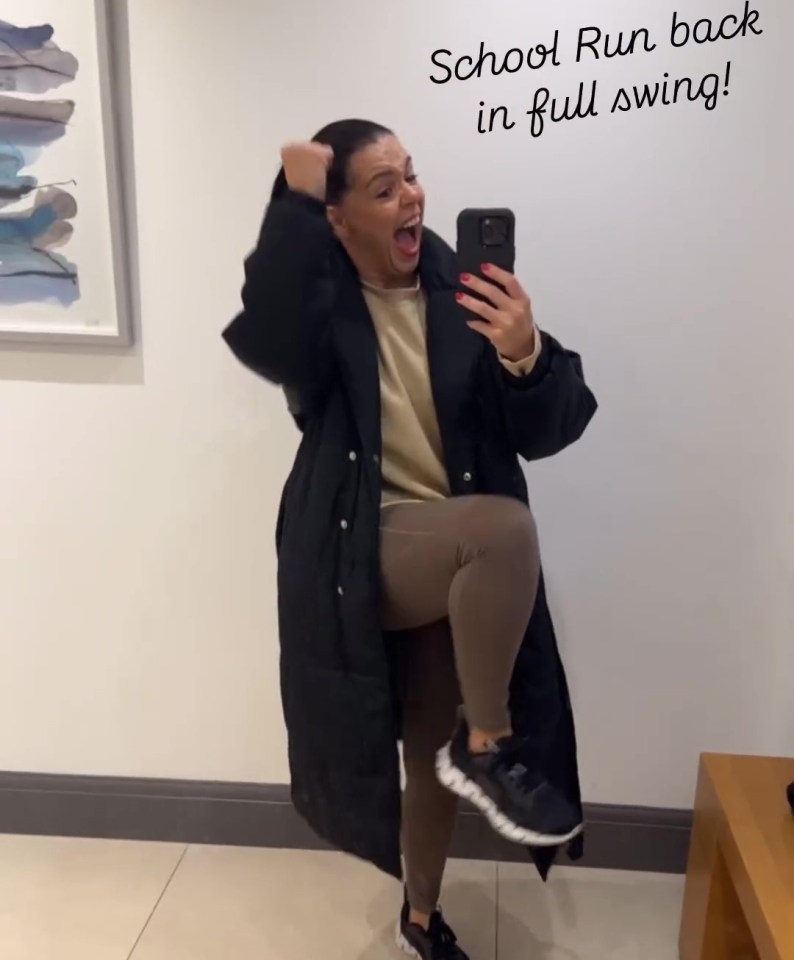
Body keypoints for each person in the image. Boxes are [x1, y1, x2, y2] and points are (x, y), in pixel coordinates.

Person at [223, 119, 597, 960]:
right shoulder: (317, 311)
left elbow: (554, 424)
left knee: (432, 761)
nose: (412, 198)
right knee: (503, 529)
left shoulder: (463, 286)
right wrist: (290, 199)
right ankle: (491, 744)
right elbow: (266, 333)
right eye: (384, 187)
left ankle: (421, 919)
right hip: (360, 550)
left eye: (413, 177)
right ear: (338, 215)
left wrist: (524, 353)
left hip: (453, 563)